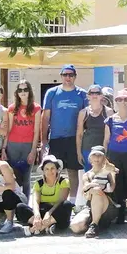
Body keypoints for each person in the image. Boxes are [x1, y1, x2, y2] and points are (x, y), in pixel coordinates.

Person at [42, 65, 88, 201]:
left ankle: (72, 202)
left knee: (73, 171)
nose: (68, 77)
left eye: (71, 75)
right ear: (61, 76)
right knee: (53, 171)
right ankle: (54, 200)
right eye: (65, 75)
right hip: (56, 138)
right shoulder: (52, 92)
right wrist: (43, 140)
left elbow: (87, 117)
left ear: (75, 77)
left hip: (74, 139)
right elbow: (45, 117)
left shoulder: (82, 94)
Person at [16, 155, 74, 236]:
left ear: (57, 169)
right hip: (42, 211)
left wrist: (49, 213)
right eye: (47, 169)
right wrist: (37, 215)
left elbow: (61, 200)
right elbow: (35, 202)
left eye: (52, 168)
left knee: (67, 205)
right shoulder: (38, 184)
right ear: (43, 170)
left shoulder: (64, 182)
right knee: (20, 207)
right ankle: (41, 225)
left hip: (55, 212)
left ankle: (37, 228)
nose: (50, 171)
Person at [6, 80, 42, 198]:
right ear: (17, 93)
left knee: (26, 177)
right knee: (13, 176)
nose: (23, 92)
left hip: (28, 145)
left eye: (25, 89)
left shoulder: (36, 108)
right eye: (20, 90)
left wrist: (33, 151)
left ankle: (26, 204)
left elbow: (37, 131)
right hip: (13, 145)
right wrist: (3, 148)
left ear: (29, 91)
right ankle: (14, 202)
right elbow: (8, 129)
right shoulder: (12, 108)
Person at [77, 84, 113, 172]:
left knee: (103, 180)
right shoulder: (83, 113)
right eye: (91, 93)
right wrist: (79, 153)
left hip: (103, 151)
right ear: (88, 96)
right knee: (89, 179)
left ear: (101, 95)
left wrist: (106, 153)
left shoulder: (109, 112)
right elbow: (79, 134)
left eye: (97, 93)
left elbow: (111, 135)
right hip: (87, 150)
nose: (94, 95)